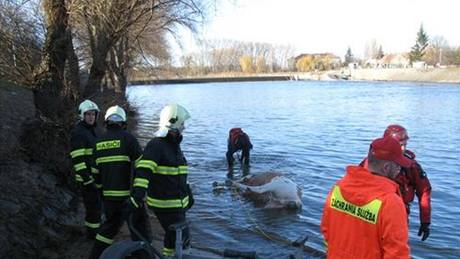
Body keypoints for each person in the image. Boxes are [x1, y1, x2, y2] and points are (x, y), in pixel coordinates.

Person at [321, 136, 411, 259]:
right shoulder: (390, 202)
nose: (399, 171)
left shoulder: (339, 186)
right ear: (386, 168)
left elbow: (326, 229)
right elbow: (397, 254)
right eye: (398, 167)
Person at [130, 104, 194, 258]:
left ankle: (168, 256)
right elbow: (144, 171)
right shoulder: (157, 145)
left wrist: (188, 194)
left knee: (172, 238)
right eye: (182, 124)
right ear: (174, 123)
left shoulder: (174, 146)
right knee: (182, 240)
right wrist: (136, 197)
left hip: (177, 203)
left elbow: (179, 175)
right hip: (166, 203)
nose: (184, 127)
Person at [89, 105, 151, 259]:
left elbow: (95, 174)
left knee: (107, 231)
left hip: (109, 199)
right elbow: (142, 167)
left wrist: (101, 192)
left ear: (106, 122)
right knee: (140, 232)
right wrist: (139, 193)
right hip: (130, 199)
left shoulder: (98, 143)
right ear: (123, 123)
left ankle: (95, 257)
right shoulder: (128, 139)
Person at [360, 124, 432, 241]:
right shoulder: (371, 162)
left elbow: (424, 191)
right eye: (400, 145)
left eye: (405, 145)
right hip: (371, 213)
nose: (403, 149)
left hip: (398, 215)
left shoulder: (411, 166)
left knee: (395, 245)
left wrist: (425, 221)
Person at [69, 99, 101, 238]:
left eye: (93, 114)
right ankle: (92, 235)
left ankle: (94, 230)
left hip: (94, 177)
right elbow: (78, 159)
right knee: (92, 207)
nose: (91, 117)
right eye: (88, 114)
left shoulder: (92, 131)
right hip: (86, 178)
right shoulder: (79, 132)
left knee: (95, 206)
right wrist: (87, 179)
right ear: (82, 115)